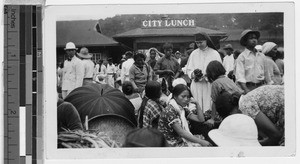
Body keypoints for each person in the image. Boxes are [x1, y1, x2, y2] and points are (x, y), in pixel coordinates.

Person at [215, 85, 284, 146]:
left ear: (230, 113)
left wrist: (249, 145)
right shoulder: (245, 100)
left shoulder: (245, 107)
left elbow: (276, 135)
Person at [186, 32, 222, 114]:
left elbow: (219, 70)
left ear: (206, 41)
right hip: (197, 84)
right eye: (197, 43)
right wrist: (194, 74)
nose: (199, 45)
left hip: (209, 84)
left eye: (201, 42)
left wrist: (208, 76)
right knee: (197, 104)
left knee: (209, 103)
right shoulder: (194, 53)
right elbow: (189, 69)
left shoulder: (214, 53)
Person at [205, 60, 243, 126]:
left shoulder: (216, 83)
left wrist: (212, 119)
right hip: (238, 107)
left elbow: (214, 102)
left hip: (229, 110)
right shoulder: (228, 79)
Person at [235, 29, 270, 94]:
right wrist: (246, 89)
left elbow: (266, 73)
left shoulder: (262, 56)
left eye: (255, 38)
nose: (254, 40)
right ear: (245, 41)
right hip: (249, 88)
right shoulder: (242, 57)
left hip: (262, 87)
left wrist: (269, 85)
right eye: (251, 38)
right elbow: (240, 76)